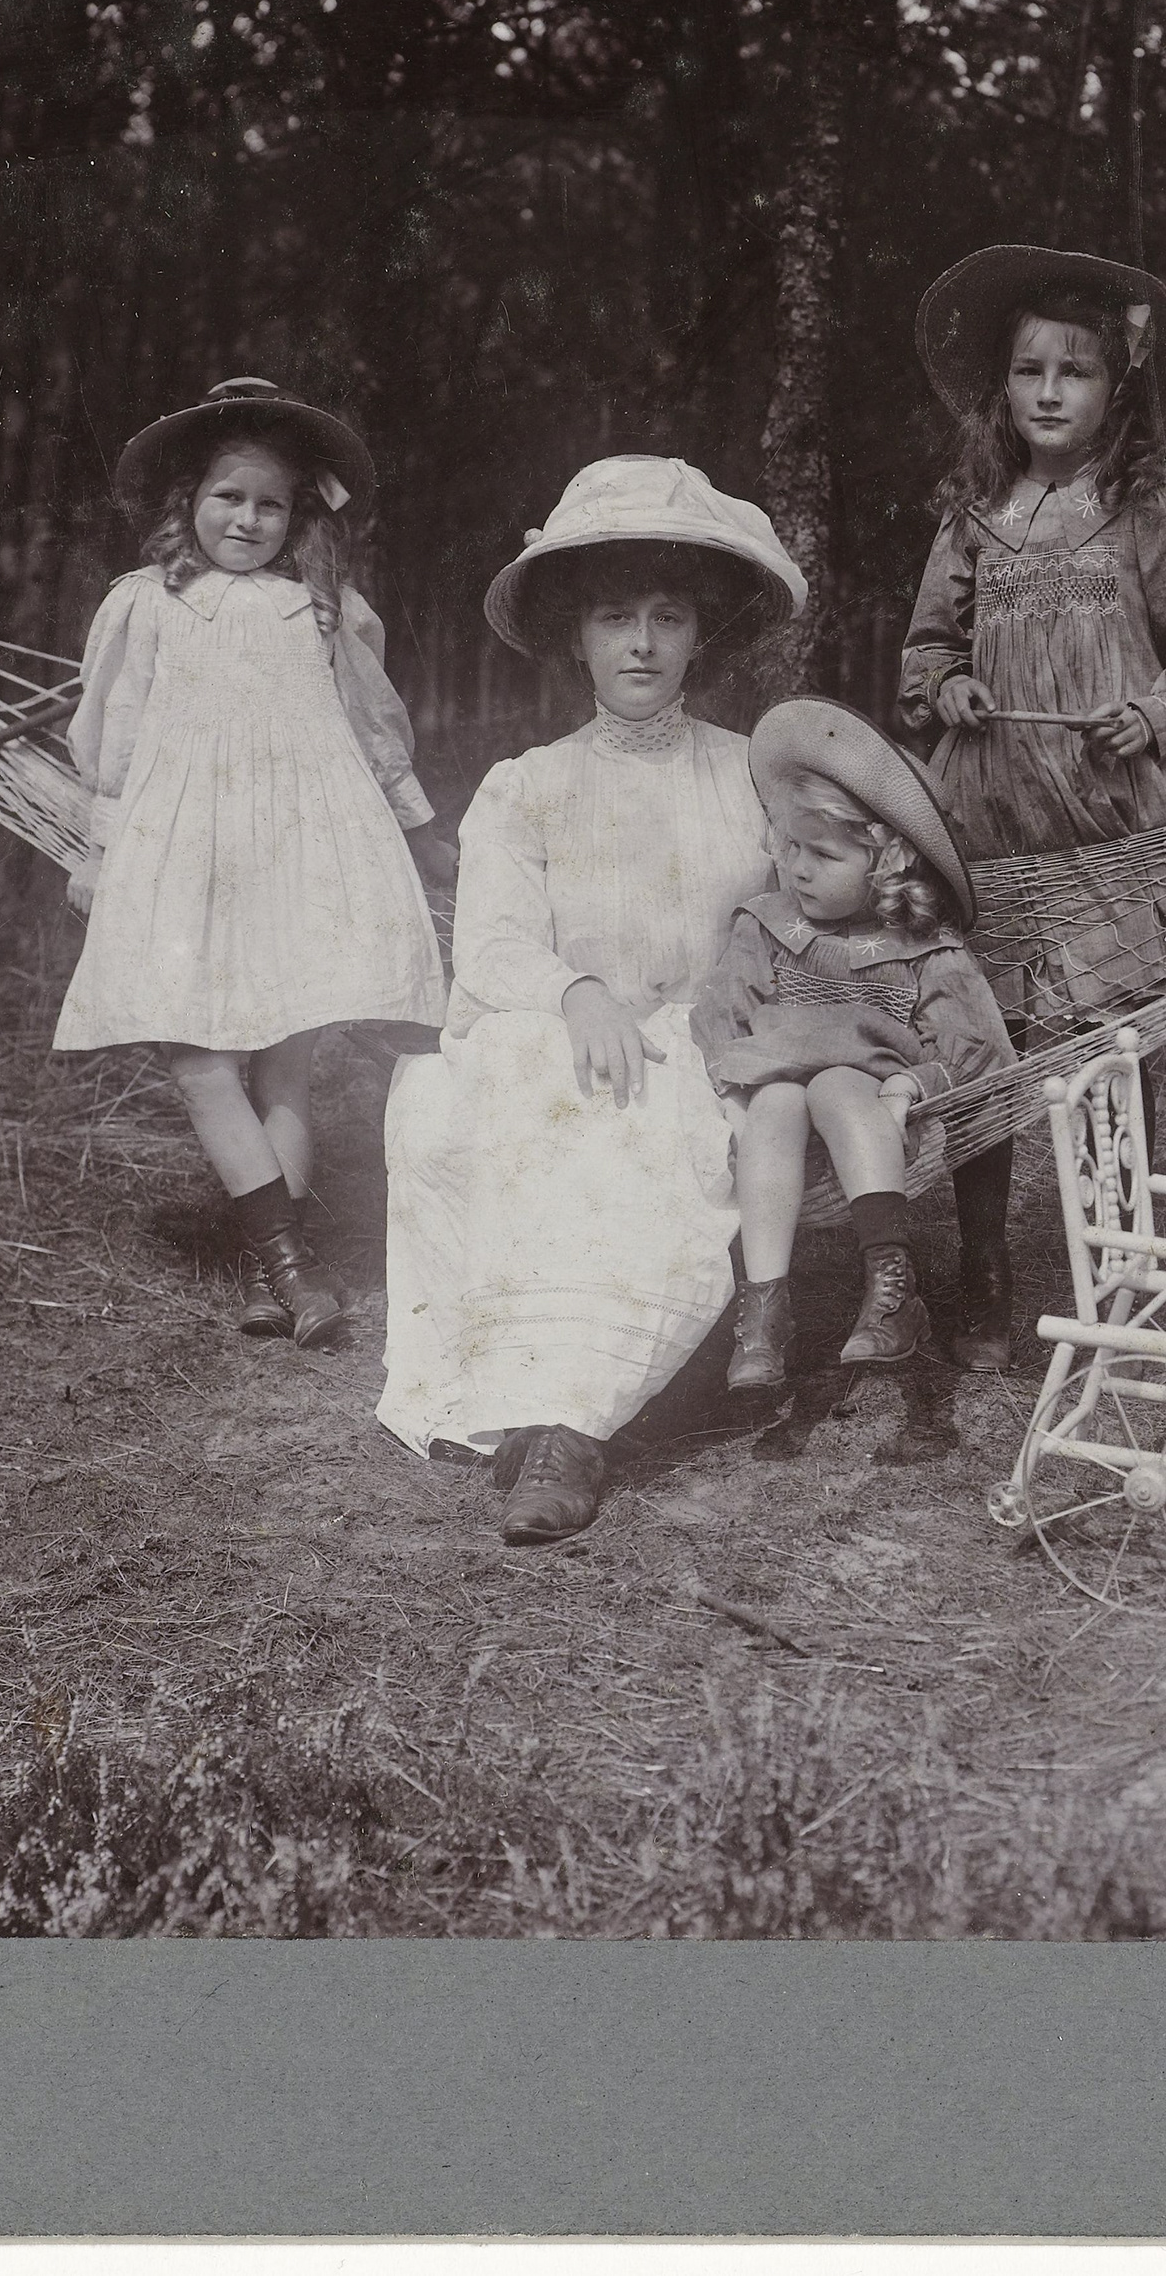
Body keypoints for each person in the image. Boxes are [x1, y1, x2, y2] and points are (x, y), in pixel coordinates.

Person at [375, 457, 805, 1545]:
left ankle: (565, 1435)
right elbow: (495, 942)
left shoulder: (752, 773)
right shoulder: (530, 786)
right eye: (617, 617)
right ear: (578, 636)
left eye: (668, 617)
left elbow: (797, 913)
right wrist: (577, 993)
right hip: (573, 1034)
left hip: (708, 1040)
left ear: (701, 634)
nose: (643, 644)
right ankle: (533, 1394)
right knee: (490, 1100)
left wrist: (722, 1013)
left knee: (644, 1123)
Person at [898, 246, 1166, 1371]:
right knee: (981, 1047)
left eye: (1077, 372)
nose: (1049, 392)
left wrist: (1157, 717)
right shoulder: (972, 516)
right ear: (999, 389)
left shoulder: (1152, 508)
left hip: (1110, 821)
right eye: (1028, 371)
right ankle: (983, 1280)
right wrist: (946, 684)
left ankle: (1121, 1273)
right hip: (990, 818)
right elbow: (924, 651)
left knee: (1108, 1052)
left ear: (1118, 392)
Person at [54, 380, 451, 1347]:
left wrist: (417, 833)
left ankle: (286, 1279)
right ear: (188, 502)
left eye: (271, 504)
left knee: (285, 1066)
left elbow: (373, 734)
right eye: (229, 497)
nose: (249, 519)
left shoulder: (319, 612)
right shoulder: (146, 605)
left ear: (298, 515)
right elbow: (112, 743)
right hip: (183, 851)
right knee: (196, 1057)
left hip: (300, 851)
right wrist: (98, 850)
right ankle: (293, 1269)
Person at [692, 697, 1016, 1399]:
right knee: (778, 1097)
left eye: (823, 854)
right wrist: (729, 1097)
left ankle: (890, 1287)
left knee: (838, 1084)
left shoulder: (922, 949)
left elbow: (978, 1047)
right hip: (773, 1106)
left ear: (886, 860)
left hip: (868, 1109)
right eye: (790, 849)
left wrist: (910, 1089)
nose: (798, 870)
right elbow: (722, 1012)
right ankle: (765, 1308)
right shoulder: (771, 925)